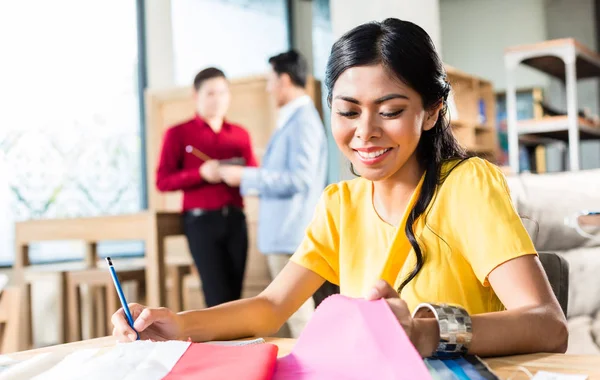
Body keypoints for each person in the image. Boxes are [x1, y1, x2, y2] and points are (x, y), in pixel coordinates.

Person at [114, 19, 568, 358]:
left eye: (389, 110)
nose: (364, 132)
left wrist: (428, 331)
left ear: (431, 112)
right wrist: (178, 324)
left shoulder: (466, 185)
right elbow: (271, 306)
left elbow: (548, 326)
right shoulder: (340, 203)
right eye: (348, 112)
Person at [218, 50, 330, 337]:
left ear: (284, 79)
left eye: (270, 80)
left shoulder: (303, 120)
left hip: (289, 233)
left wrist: (245, 176)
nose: (268, 88)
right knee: (291, 317)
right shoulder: (294, 119)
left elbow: (299, 179)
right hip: (284, 234)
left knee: (299, 317)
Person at [155, 67, 257, 308]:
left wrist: (240, 175)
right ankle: (220, 346)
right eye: (211, 93)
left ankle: (238, 346)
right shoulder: (178, 133)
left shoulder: (240, 134)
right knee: (216, 296)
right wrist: (199, 173)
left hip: (236, 221)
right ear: (196, 95)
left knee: (236, 296)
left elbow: (254, 174)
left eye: (222, 93)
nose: (217, 99)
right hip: (200, 223)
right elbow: (163, 181)